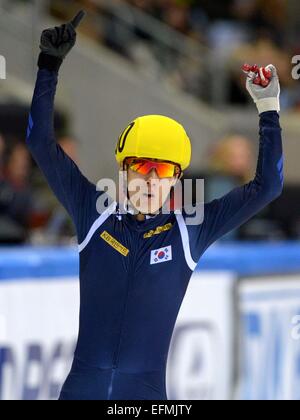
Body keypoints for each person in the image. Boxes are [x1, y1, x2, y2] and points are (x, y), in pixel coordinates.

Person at [26, 11, 283, 400]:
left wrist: (268, 109)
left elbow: (268, 186)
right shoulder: (93, 212)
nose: (149, 179)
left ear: (176, 178)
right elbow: (41, 144)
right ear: (123, 170)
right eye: (139, 166)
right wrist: (49, 65)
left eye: (161, 169)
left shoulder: (191, 228)